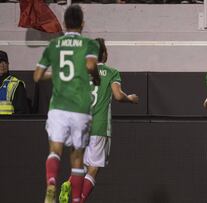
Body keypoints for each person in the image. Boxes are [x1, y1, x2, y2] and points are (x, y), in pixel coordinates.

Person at [33, 5, 101, 203]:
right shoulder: (89, 44)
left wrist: (56, 73)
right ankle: (76, 200)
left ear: (64, 23)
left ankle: (52, 182)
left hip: (58, 107)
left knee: (55, 150)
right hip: (80, 107)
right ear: (82, 23)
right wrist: (95, 76)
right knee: (77, 157)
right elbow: (89, 66)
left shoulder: (54, 46)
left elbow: (37, 76)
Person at [59, 38, 139, 203]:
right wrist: (130, 98)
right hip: (99, 126)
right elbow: (118, 96)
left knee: (82, 166)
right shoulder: (111, 72)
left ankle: (68, 183)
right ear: (103, 54)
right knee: (93, 168)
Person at [0, 50, 30, 115]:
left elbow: (21, 113)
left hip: (8, 124)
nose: (2, 65)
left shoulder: (16, 84)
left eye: (4, 62)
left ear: (8, 64)